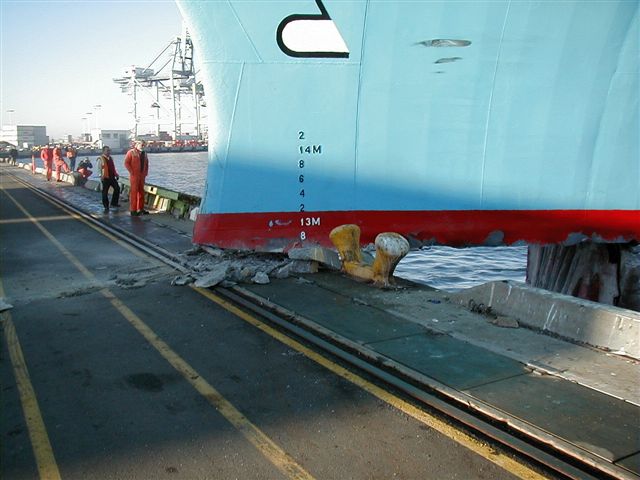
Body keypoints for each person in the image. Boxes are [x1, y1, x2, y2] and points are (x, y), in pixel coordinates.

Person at [124, 140, 149, 216]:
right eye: (141, 144)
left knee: (141, 192)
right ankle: (133, 210)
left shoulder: (144, 154)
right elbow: (126, 163)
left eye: (143, 145)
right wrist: (131, 172)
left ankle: (140, 209)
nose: (143, 146)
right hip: (134, 176)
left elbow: (147, 164)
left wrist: (145, 173)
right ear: (136, 145)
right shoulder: (131, 152)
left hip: (142, 176)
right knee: (134, 192)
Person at [98, 146, 120, 213]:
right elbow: (99, 169)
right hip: (105, 177)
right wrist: (101, 176)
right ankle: (106, 206)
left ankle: (114, 203)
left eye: (109, 150)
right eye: (107, 150)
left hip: (112, 177)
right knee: (105, 192)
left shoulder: (111, 158)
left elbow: (113, 168)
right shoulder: (101, 159)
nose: (109, 152)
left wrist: (116, 174)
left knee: (117, 188)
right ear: (103, 151)